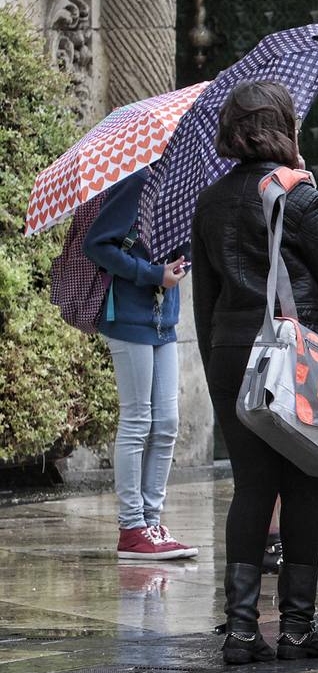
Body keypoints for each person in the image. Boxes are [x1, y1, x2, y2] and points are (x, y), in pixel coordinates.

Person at [192, 81, 318, 664]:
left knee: (251, 486)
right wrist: (311, 192)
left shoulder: (211, 199)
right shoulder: (294, 193)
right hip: (291, 351)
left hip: (231, 351)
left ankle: (240, 629)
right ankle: (298, 628)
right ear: (283, 127)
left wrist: (216, 364)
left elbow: (205, 296)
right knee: (303, 481)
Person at [83, 168, 196, 562]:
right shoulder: (134, 182)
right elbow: (97, 244)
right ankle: (132, 527)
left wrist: (181, 264)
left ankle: (151, 522)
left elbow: (184, 248)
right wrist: (151, 273)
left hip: (164, 320)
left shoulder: (177, 186)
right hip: (129, 318)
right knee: (137, 420)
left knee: (167, 423)